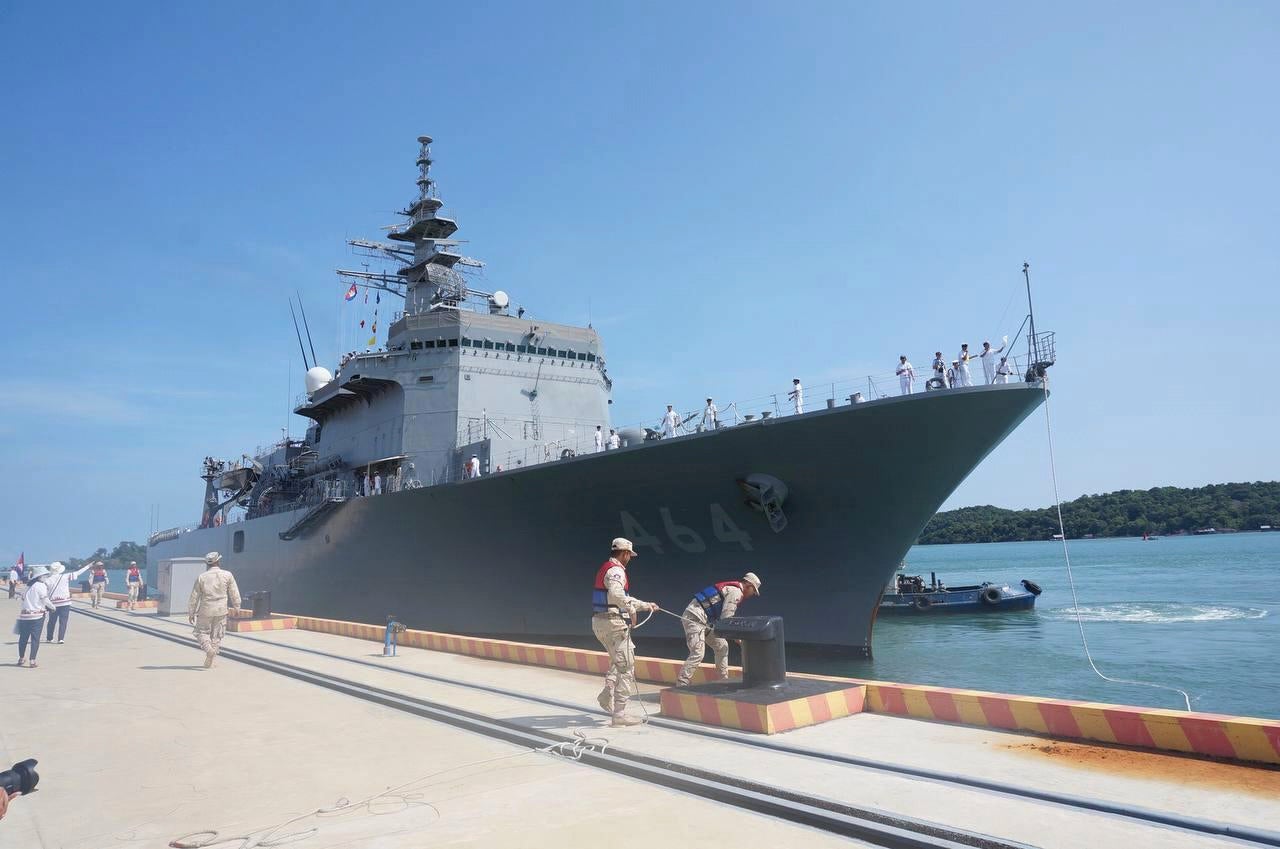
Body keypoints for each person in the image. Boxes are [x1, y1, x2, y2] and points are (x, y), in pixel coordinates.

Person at [590, 537, 657, 727]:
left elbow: (617, 597)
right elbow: (617, 595)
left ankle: (607, 693)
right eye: (629, 555)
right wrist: (631, 609)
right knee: (627, 668)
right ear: (625, 553)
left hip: (600, 622)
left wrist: (646, 605)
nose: (630, 559)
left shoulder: (607, 568)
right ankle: (619, 714)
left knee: (616, 660)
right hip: (613, 624)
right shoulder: (617, 571)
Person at [675, 572, 761, 687]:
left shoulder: (733, 590)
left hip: (705, 622)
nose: (753, 594)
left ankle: (723, 680)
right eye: (753, 590)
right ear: (748, 585)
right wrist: (737, 637)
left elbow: (723, 620)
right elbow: (726, 618)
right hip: (694, 618)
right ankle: (682, 682)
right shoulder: (736, 592)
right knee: (698, 652)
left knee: (722, 646)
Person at [187, 552, 242, 669]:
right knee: (217, 634)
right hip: (221, 609)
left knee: (201, 632)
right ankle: (212, 659)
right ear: (218, 561)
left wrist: (191, 612)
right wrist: (237, 606)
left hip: (206, 609)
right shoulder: (227, 575)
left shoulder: (202, 577)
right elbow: (234, 592)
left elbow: (194, 596)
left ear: (207, 564)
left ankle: (209, 651)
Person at [45, 561, 93, 644]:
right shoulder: (65, 576)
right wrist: (88, 566)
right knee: (63, 621)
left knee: (51, 621)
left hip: (53, 603)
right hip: (65, 603)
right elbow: (78, 573)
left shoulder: (47, 579)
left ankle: (49, 638)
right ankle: (61, 639)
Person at [17, 565, 54, 667]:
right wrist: (53, 607)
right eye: (45, 575)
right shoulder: (40, 586)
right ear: (40, 576)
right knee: (35, 638)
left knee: (23, 638)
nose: (46, 577)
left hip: (24, 616)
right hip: (37, 616)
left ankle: (21, 658)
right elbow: (45, 599)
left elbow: (21, 598)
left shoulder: (27, 586)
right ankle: (32, 660)